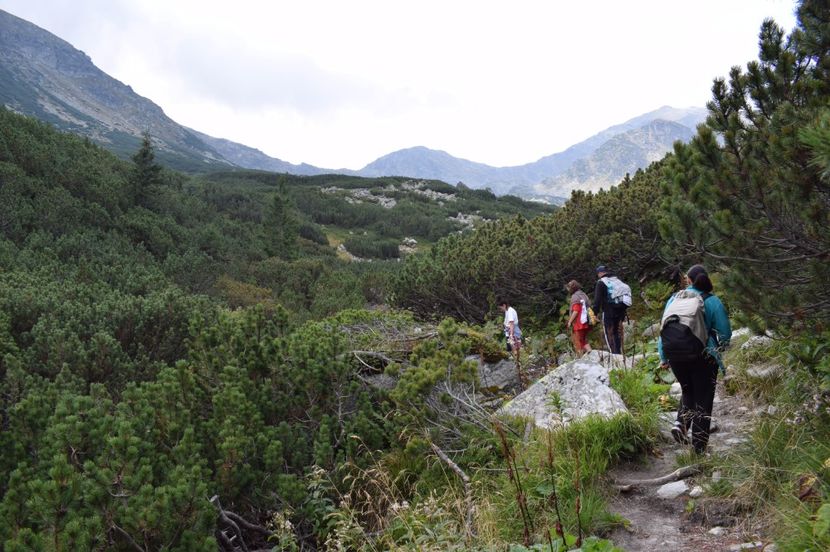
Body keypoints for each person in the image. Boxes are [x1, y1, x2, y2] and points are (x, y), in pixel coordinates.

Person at [658, 264, 731, 455]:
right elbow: (725, 333)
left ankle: (681, 424)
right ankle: (698, 449)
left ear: (688, 280)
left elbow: (664, 328)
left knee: (688, 390)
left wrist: (664, 357)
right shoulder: (712, 301)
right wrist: (718, 348)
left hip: (675, 354)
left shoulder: (674, 299)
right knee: (703, 399)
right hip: (703, 355)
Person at [593, 265, 628, 354]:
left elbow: (597, 300)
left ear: (600, 273)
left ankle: (615, 355)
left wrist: (595, 313)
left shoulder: (601, 282)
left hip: (609, 312)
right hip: (621, 311)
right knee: (618, 332)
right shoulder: (616, 280)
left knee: (610, 333)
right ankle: (620, 352)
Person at [565, 280, 592, 357]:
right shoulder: (583, 294)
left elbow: (576, 311)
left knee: (578, 341)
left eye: (568, 287)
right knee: (583, 340)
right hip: (586, 321)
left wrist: (570, 322)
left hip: (579, 322)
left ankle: (580, 358)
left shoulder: (575, 297)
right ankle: (590, 353)